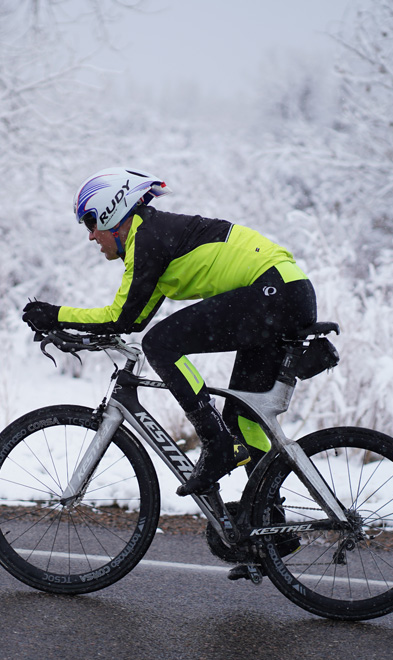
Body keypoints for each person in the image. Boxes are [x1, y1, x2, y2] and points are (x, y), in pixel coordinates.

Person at [22, 167, 317, 496]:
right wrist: (72, 330)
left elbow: (121, 319)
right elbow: (132, 320)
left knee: (161, 343)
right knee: (242, 418)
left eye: (91, 223)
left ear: (111, 211)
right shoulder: (155, 237)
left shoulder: (148, 238)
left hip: (273, 292)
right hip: (289, 292)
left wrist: (56, 315)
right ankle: (269, 523)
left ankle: (217, 445)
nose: (91, 235)